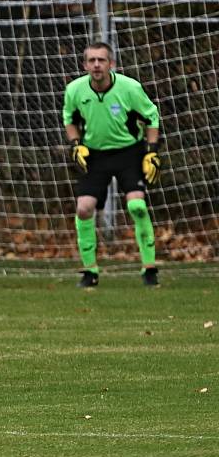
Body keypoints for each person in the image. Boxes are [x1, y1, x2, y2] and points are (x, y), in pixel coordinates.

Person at [63, 42, 162, 288]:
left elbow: (152, 117)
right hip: (94, 155)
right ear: (85, 65)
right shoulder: (74, 90)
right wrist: (76, 144)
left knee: (137, 205)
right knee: (84, 209)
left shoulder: (130, 88)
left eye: (102, 60)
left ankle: (149, 269)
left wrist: (151, 152)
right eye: (92, 60)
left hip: (129, 152)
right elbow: (69, 119)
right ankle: (90, 272)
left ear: (111, 64)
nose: (97, 65)